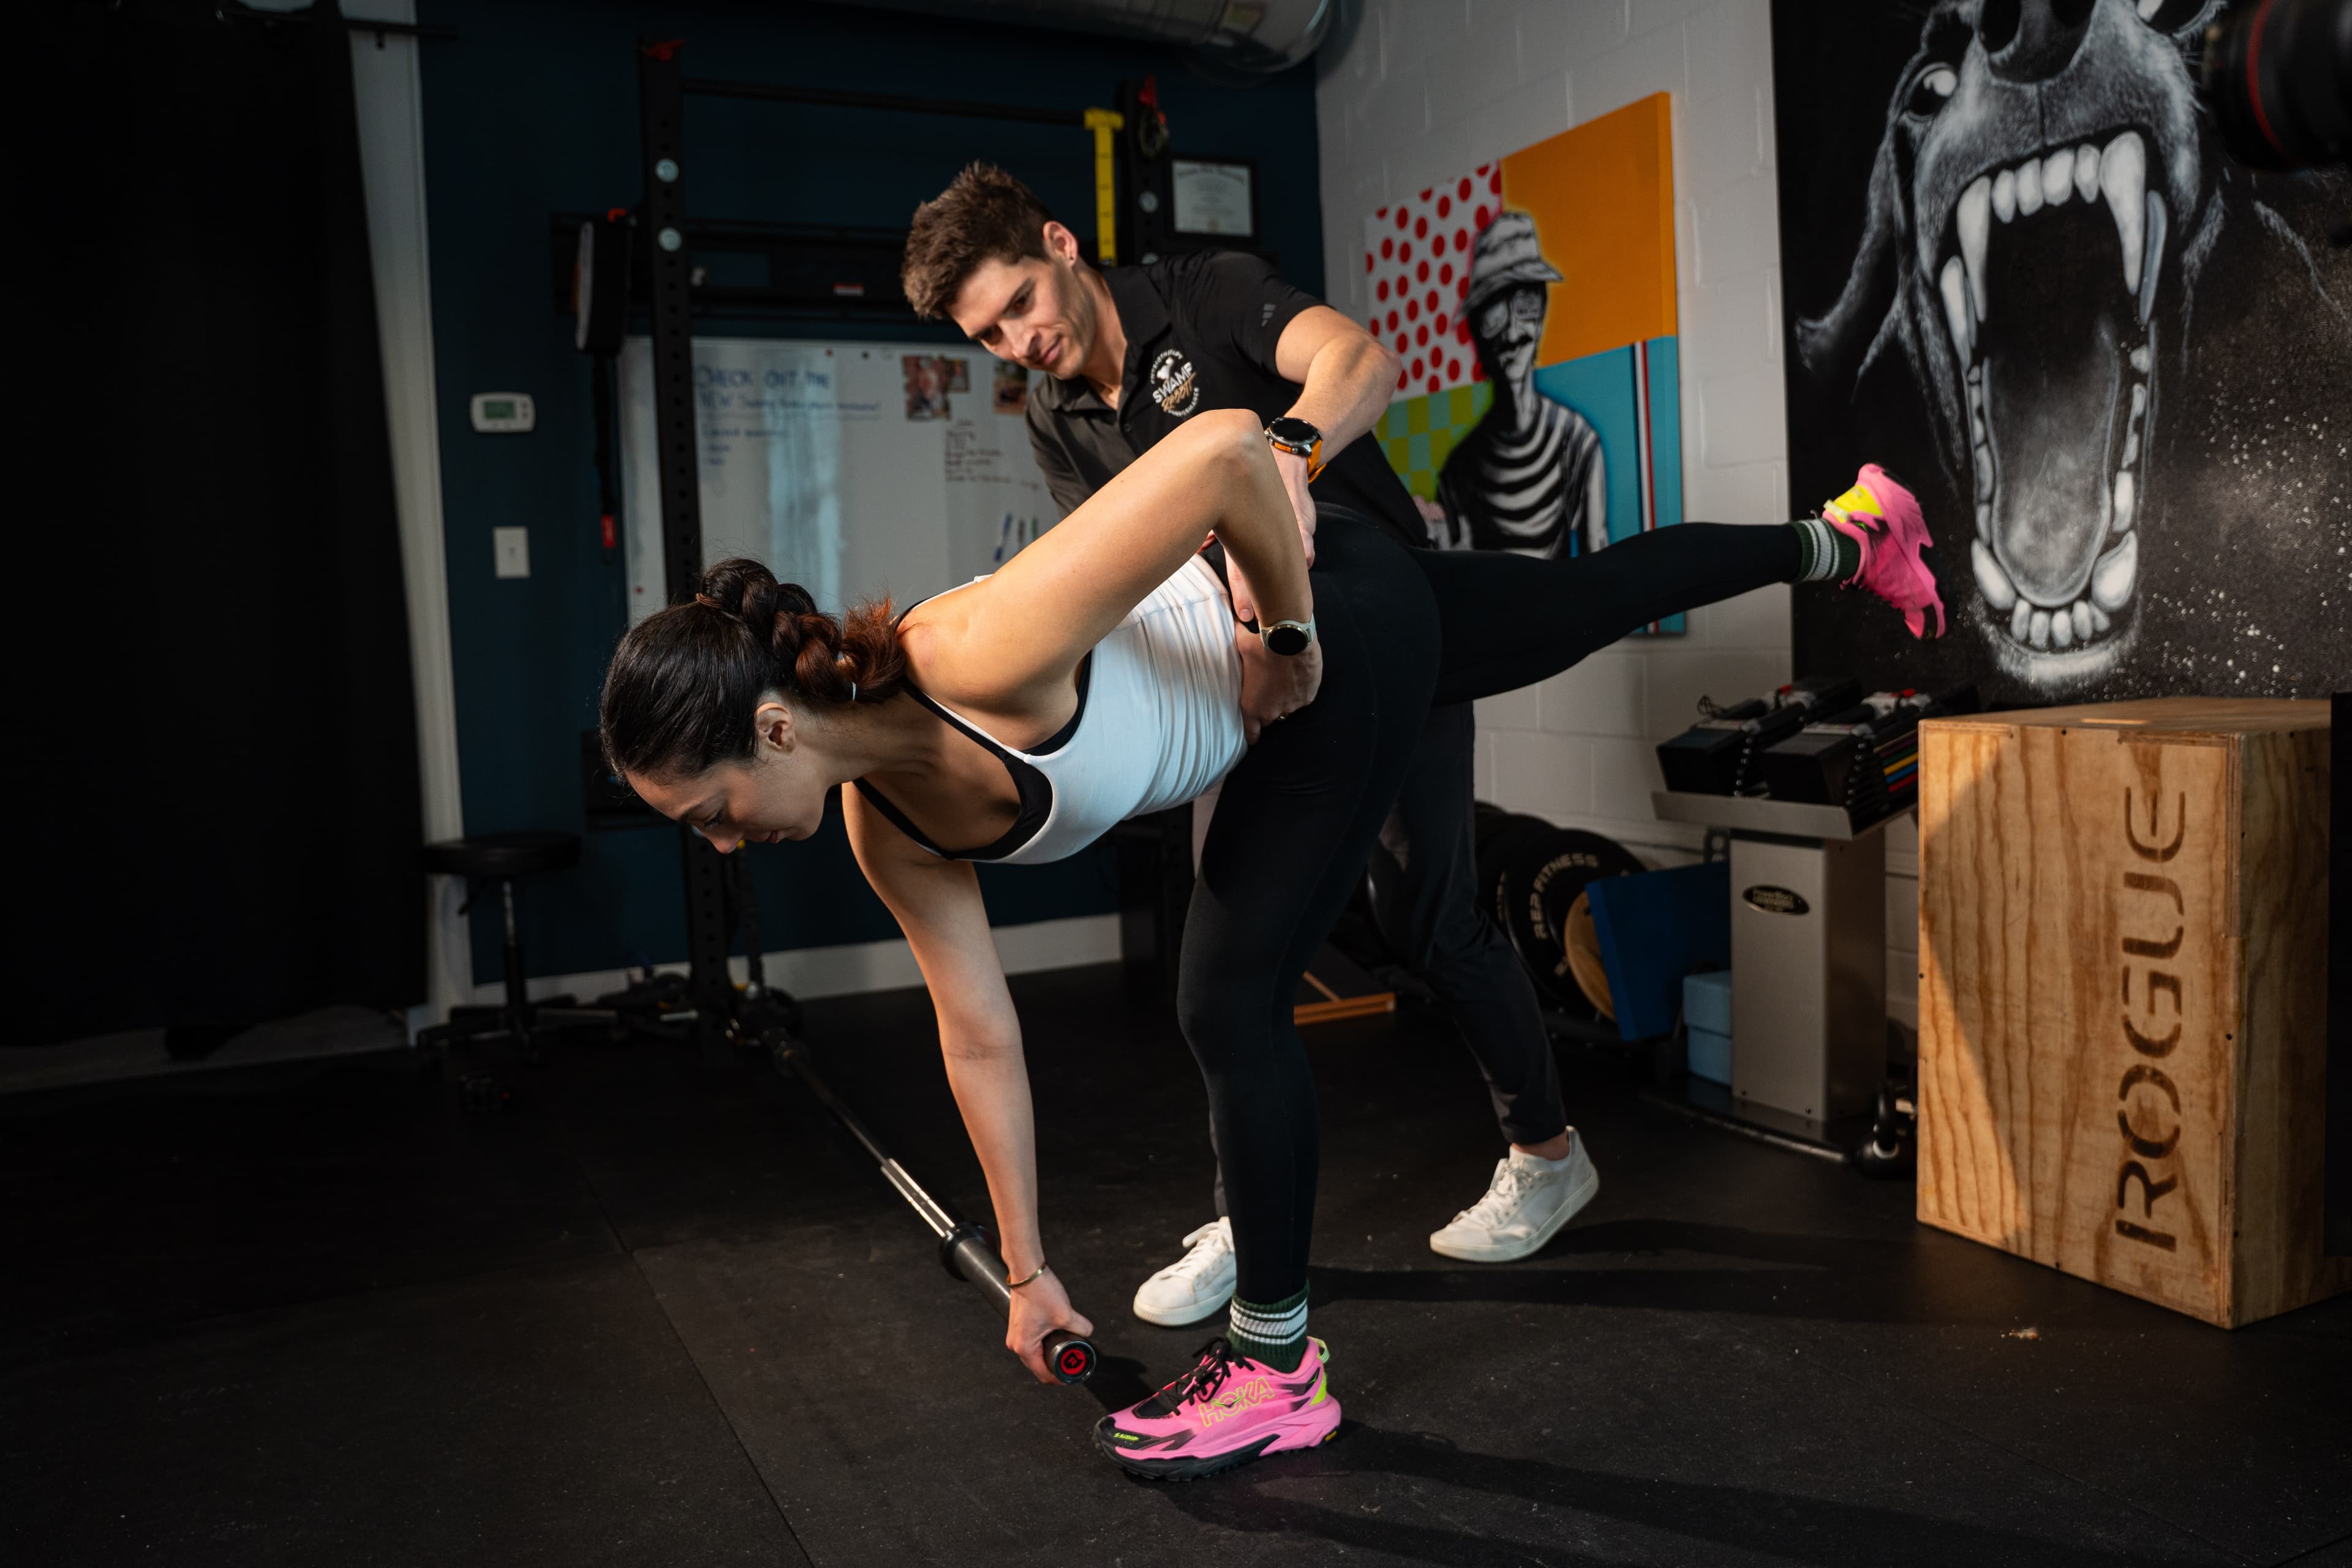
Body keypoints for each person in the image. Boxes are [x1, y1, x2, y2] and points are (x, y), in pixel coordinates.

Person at [599, 391, 1943, 1476]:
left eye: (711, 810)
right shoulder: (885, 827)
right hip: (1356, 606)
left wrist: (1285, 635)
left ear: (772, 727)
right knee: (1587, 596)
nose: (723, 845)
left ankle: (1277, 1368)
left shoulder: (980, 654)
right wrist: (1028, 1269)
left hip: (1329, 628)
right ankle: (1850, 533)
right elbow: (977, 1034)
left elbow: (1230, 447)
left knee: (1226, 996)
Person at [898, 166, 1610, 1335]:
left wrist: (1288, 447)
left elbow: (1360, 364)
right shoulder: (1055, 413)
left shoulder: (1206, 292)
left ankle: (1547, 1152)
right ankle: (1249, 1211)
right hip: (1241, 674)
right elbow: (1128, 561)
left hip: (1382, 633)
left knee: (1431, 914)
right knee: (1227, 967)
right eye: (989, 335)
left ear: (1061, 245)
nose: (1019, 341)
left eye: (1020, 303)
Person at [1433, 211, 1608, 559]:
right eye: (1494, 316)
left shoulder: (1578, 445)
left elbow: (1597, 569)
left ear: (1542, 314)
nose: (1512, 333)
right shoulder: (1461, 472)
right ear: (1476, 333)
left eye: (1526, 304)